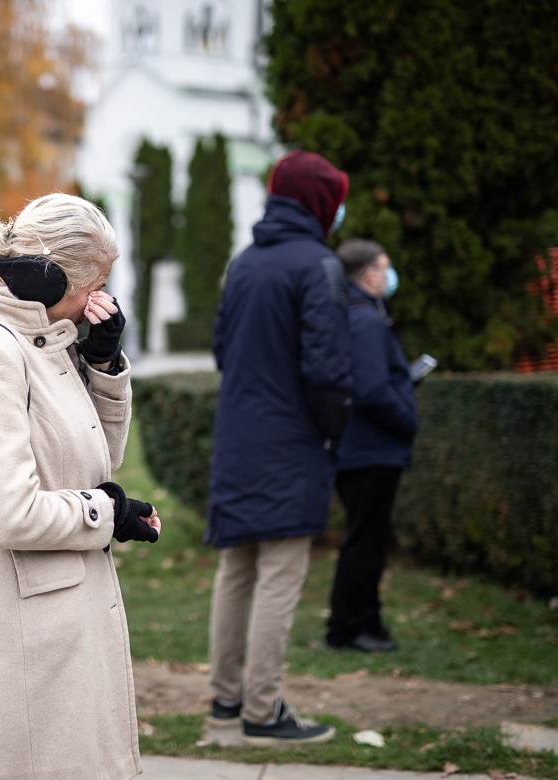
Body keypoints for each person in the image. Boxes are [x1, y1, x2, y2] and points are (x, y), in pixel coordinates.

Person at [0, 193, 161, 779]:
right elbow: (12, 513)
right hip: (21, 635)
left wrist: (102, 366)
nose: (99, 301)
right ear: (56, 277)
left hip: (57, 622)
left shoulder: (42, 341)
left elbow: (96, 462)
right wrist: (111, 513)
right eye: (95, 284)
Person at [205, 151, 352, 745]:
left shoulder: (245, 263)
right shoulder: (319, 265)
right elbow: (327, 369)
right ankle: (263, 713)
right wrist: (334, 431)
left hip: (238, 437)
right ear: (319, 202)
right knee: (279, 576)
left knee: (236, 569)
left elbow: (221, 348)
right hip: (291, 441)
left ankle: (224, 707)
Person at [326, 239, 418, 653]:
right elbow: (372, 389)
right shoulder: (366, 320)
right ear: (367, 274)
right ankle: (354, 627)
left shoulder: (358, 314)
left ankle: (358, 623)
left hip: (363, 448)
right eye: (385, 267)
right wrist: (407, 420)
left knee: (365, 539)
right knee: (366, 541)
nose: (389, 274)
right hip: (371, 449)